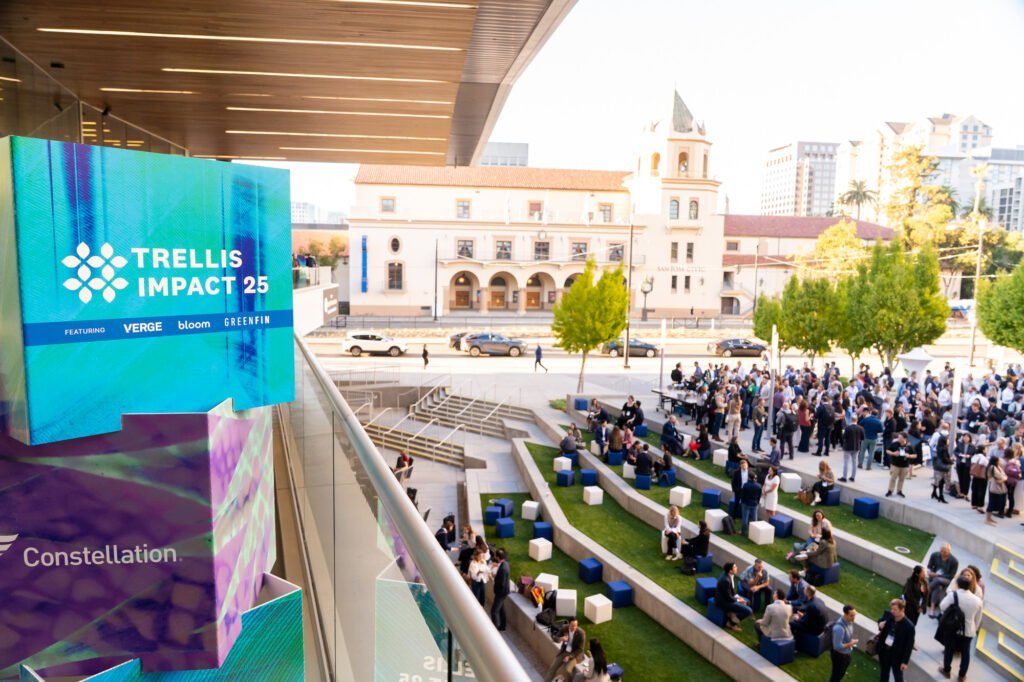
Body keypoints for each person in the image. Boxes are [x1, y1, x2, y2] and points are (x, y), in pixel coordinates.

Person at [938, 574, 984, 681]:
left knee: (949, 649)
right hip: (968, 630)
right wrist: (974, 628)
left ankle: (946, 670)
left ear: (958, 584)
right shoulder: (977, 601)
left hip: (952, 628)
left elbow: (942, 606)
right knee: (965, 653)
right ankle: (962, 676)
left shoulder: (953, 595)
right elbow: (978, 618)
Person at [877, 599, 915, 682]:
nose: (892, 611)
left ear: (902, 610)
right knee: (884, 673)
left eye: (895, 609)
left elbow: (909, 646)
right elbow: (880, 620)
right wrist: (880, 624)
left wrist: (905, 662)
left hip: (897, 656)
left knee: (898, 677)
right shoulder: (889, 615)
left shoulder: (909, 627)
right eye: (892, 609)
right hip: (884, 651)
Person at [543, 617, 586, 682]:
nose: (574, 627)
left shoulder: (581, 633)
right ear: (569, 624)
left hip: (575, 654)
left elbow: (580, 649)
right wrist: (561, 638)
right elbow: (555, 638)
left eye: (576, 625)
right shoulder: (564, 628)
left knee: (567, 670)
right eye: (572, 626)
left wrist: (569, 656)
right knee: (552, 668)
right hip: (564, 651)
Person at [716, 562, 753, 632]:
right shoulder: (725, 580)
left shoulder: (729, 575)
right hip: (723, 601)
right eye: (735, 567)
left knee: (747, 601)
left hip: (728, 597)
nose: (737, 568)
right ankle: (731, 624)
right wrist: (739, 600)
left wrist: (738, 597)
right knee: (748, 611)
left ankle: (733, 614)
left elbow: (731, 591)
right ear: (730, 571)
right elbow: (728, 598)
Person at [925, 544, 959, 618]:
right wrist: (929, 572)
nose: (942, 553)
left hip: (947, 579)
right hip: (935, 578)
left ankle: (926, 590)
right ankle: (932, 609)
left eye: (945, 552)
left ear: (949, 552)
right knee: (938, 586)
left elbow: (951, 576)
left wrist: (937, 575)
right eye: (941, 551)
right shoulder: (934, 555)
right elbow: (929, 566)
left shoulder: (954, 561)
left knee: (937, 580)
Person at [830, 605, 859, 682]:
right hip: (839, 656)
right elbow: (837, 646)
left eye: (854, 615)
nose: (854, 618)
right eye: (851, 615)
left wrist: (850, 642)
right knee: (836, 676)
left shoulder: (849, 622)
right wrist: (851, 643)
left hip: (846, 654)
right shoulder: (839, 628)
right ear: (845, 614)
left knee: (840, 675)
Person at [885, 432, 912, 498]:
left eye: (900, 438)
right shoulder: (895, 444)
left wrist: (909, 456)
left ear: (904, 438)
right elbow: (887, 450)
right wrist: (893, 453)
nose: (898, 439)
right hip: (895, 465)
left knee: (901, 479)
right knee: (893, 478)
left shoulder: (909, 446)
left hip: (904, 465)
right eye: (898, 437)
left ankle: (899, 491)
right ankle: (890, 490)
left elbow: (915, 455)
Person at [490, 549, 510, 630]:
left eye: (496, 556)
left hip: (501, 593)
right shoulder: (506, 564)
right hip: (503, 591)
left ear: (498, 557)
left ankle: (495, 629)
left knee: (494, 611)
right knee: (501, 609)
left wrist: (495, 578)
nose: (495, 557)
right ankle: (503, 626)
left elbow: (501, 583)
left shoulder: (503, 568)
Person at [839, 415, 864, 483]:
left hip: (848, 447)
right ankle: (853, 477)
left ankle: (844, 477)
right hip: (856, 447)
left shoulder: (848, 428)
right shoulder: (861, 428)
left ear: (851, 419)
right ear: (857, 420)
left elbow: (844, 437)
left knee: (846, 462)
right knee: (854, 462)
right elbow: (862, 438)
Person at [986, 455, 1008, 526]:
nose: (1000, 461)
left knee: (994, 502)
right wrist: (1004, 478)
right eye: (998, 460)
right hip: (994, 487)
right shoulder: (992, 467)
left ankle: (989, 518)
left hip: (999, 486)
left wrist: (1003, 478)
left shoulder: (998, 467)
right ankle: (987, 519)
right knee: (991, 503)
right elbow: (1000, 476)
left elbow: (1004, 476)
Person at [931, 434, 952, 504]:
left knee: (937, 480)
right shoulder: (944, 448)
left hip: (938, 466)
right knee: (941, 481)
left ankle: (934, 492)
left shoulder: (938, 447)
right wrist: (951, 461)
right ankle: (941, 495)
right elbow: (945, 458)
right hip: (943, 467)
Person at [1005, 448, 1021, 516]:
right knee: (1011, 496)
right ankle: (1010, 511)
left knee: (1006, 496)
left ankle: (1004, 510)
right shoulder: (1016, 461)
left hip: (1007, 480)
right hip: (1014, 481)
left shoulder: (1007, 461)